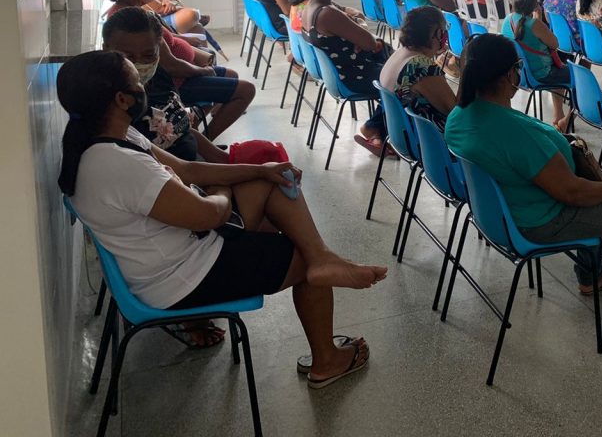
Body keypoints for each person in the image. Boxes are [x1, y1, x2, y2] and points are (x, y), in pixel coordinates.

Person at [56, 50, 387, 386]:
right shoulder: (117, 164)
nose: (144, 85)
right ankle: (326, 356)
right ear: (122, 99)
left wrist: (261, 169)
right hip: (183, 277)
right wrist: (221, 190)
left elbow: (187, 169)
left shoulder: (112, 136)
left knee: (271, 183)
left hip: (179, 251)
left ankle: (321, 258)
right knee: (299, 254)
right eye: (136, 81)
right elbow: (211, 215)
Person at [445, 34, 602, 338]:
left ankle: (592, 276)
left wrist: (552, 140)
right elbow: (572, 193)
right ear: (508, 75)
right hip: (536, 221)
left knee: (594, 190)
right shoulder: (515, 134)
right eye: (517, 66)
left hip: (495, 215)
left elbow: (514, 157)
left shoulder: (458, 116)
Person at [103, 8, 256, 155]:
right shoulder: (115, 106)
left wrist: (222, 158)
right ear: (106, 50)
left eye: (149, 55)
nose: (139, 63)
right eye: (127, 56)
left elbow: (184, 131)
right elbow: (174, 168)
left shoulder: (159, 75)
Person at [300, 0, 393, 157]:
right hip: (353, 76)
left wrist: (357, 27)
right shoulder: (328, 14)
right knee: (402, 80)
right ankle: (376, 128)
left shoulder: (312, 6)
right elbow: (369, 42)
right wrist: (359, 30)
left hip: (341, 71)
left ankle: (379, 132)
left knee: (394, 68)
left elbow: (356, 18)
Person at [502, 0, 570, 131]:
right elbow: (555, 43)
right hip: (541, 74)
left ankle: (558, 115)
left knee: (560, 75)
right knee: (580, 78)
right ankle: (566, 120)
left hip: (519, 75)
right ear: (534, 4)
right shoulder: (534, 24)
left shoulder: (507, 20)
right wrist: (538, 18)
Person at [379, 6, 455, 131]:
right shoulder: (420, 66)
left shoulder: (400, 53)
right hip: (423, 138)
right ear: (438, 34)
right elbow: (454, 112)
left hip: (399, 132)